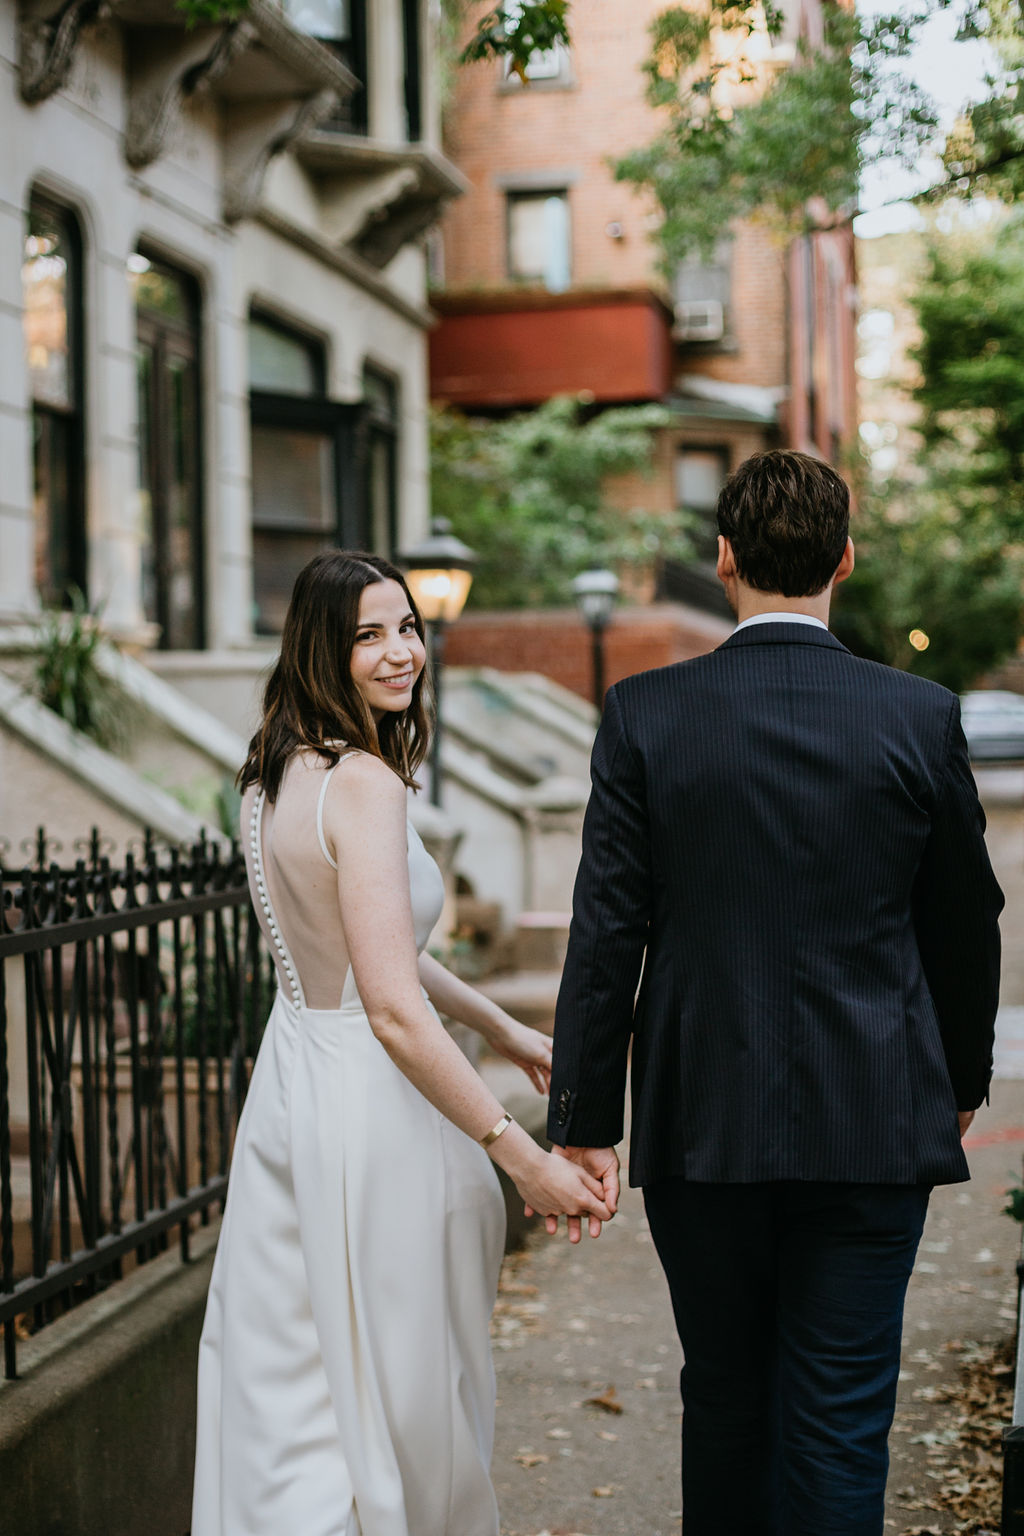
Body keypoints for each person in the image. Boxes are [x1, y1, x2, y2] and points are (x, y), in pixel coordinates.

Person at [546, 450, 1004, 1535]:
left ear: (722, 561)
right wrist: (959, 1077)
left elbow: (607, 927)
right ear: (842, 559)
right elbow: (963, 917)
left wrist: (581, 1121)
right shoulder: (917, 715)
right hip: (875, 1115)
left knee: (726, 1398)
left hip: (703, 1121)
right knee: (841, 1420)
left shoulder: (645, 715)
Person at [191, 550, 611, 1536]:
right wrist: (517, 1155)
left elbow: (363, 950)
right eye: (367, 635)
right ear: (319, 649)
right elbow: (385, 1006)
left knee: (305, 1379)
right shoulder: (366, 785)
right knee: (402, 1387)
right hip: (373, 1111)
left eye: (407, 628)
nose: (398, 653)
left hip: (293, 1089)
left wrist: (505, 1028)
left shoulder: (270, 776)